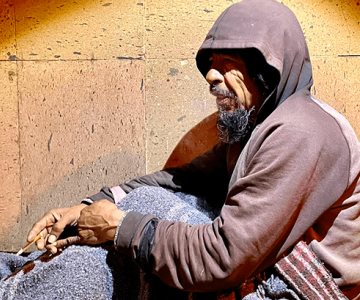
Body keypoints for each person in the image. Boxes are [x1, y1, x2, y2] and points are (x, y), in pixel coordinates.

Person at [23, 0, 360, 299]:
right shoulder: (256, 125)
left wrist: (119, 226)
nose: (211, 75)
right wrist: (88, 208)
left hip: (299, 288)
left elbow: (224, 257)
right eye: (211, 62)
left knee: (141, 217)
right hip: (250, 263)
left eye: (227, 62)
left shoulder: (300, 130)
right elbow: (180, 181)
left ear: (268, 72)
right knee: (139, 214)